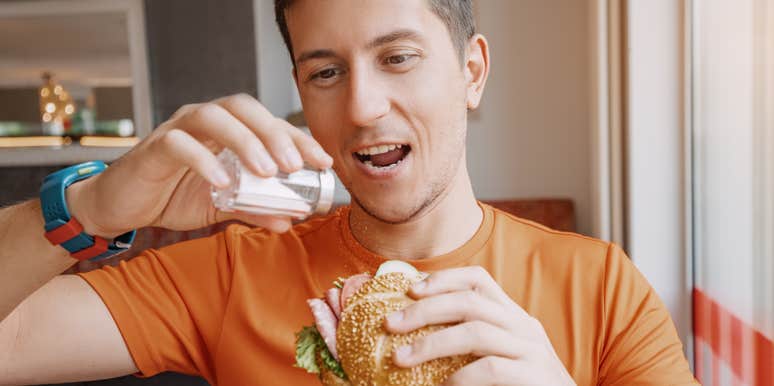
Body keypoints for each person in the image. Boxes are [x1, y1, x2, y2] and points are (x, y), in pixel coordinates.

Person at [0, 1, 699, 385]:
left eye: (398, 58)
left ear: (472, 72)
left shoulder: (601, 288)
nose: (362, 107)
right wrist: (91, 208)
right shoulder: (234, 271)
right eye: (326, 73)